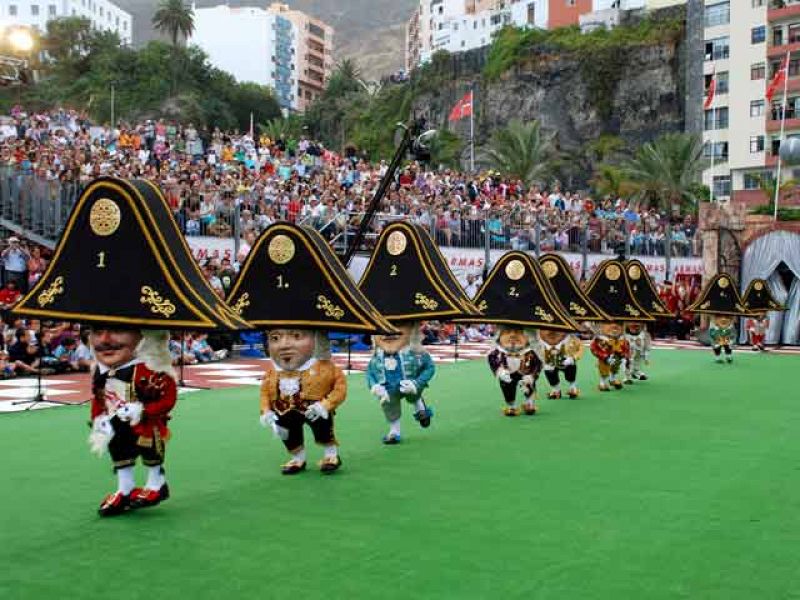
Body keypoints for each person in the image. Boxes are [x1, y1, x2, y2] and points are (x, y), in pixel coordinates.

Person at [88, 329, 177, 517]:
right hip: (114, 422)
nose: (105, 339)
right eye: (97, 332)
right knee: (118, 451)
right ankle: (125, 488)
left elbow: (168, 398)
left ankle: (156, 483)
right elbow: (98, 397)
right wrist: (98, 418)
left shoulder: (150, 369)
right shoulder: (99, 370)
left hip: (144, 424)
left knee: (150, 450)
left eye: (119, 331)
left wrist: (143, 410)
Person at [259, 329, 345, 474]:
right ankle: (298, 458)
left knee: (323, 431)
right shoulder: (272, 372)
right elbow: (265, 392)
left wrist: (325, 405)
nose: (284, 345)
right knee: (288, 434)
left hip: (314, 408)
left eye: (296, 336)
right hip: (283, 409)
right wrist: (266, 411)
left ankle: (331, 455)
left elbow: (340, 389)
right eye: (275, 338)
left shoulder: (325, 367)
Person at [366, 322, 435, 444]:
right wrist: (375, 386)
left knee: (413, 395)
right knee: (389, 405)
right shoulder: (377, 356)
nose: (388, 333)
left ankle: (420, 406)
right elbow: (370, 373)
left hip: (410, 384)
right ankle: (394, 431)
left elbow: (429, 367)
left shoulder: (416, 353)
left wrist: (417, 383)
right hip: (388, 388)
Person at [488, 326, 541, 415]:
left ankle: (529, 403)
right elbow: (492, 360)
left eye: (518, 332)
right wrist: (500, 371)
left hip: (525, 373)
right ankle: (511, 406)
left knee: (528, 386)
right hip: (507, 374)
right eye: (507, 332)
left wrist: (532, 376)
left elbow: (537, 365)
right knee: (507, 388)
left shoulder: (530, 353)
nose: (512, 335)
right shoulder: (497, 353)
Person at [536, 329, 583, 399]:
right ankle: (556, 389)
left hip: (565, 359)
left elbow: (580, 348)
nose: (551, 332)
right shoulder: (539, 341)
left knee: (570, 369)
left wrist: (573, 358)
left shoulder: (571, 339)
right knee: (549, 371)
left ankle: (572, 387)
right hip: (550, 361)